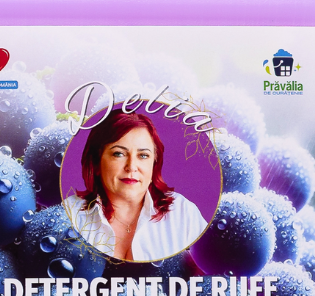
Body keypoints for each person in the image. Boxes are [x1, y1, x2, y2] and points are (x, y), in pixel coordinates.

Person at [62, 109, 208, 261]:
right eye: (119, 154)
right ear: (97, 163)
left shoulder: (183, 213)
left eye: (143, 155)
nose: (131, 167)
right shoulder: (69, 214)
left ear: (154, 164)